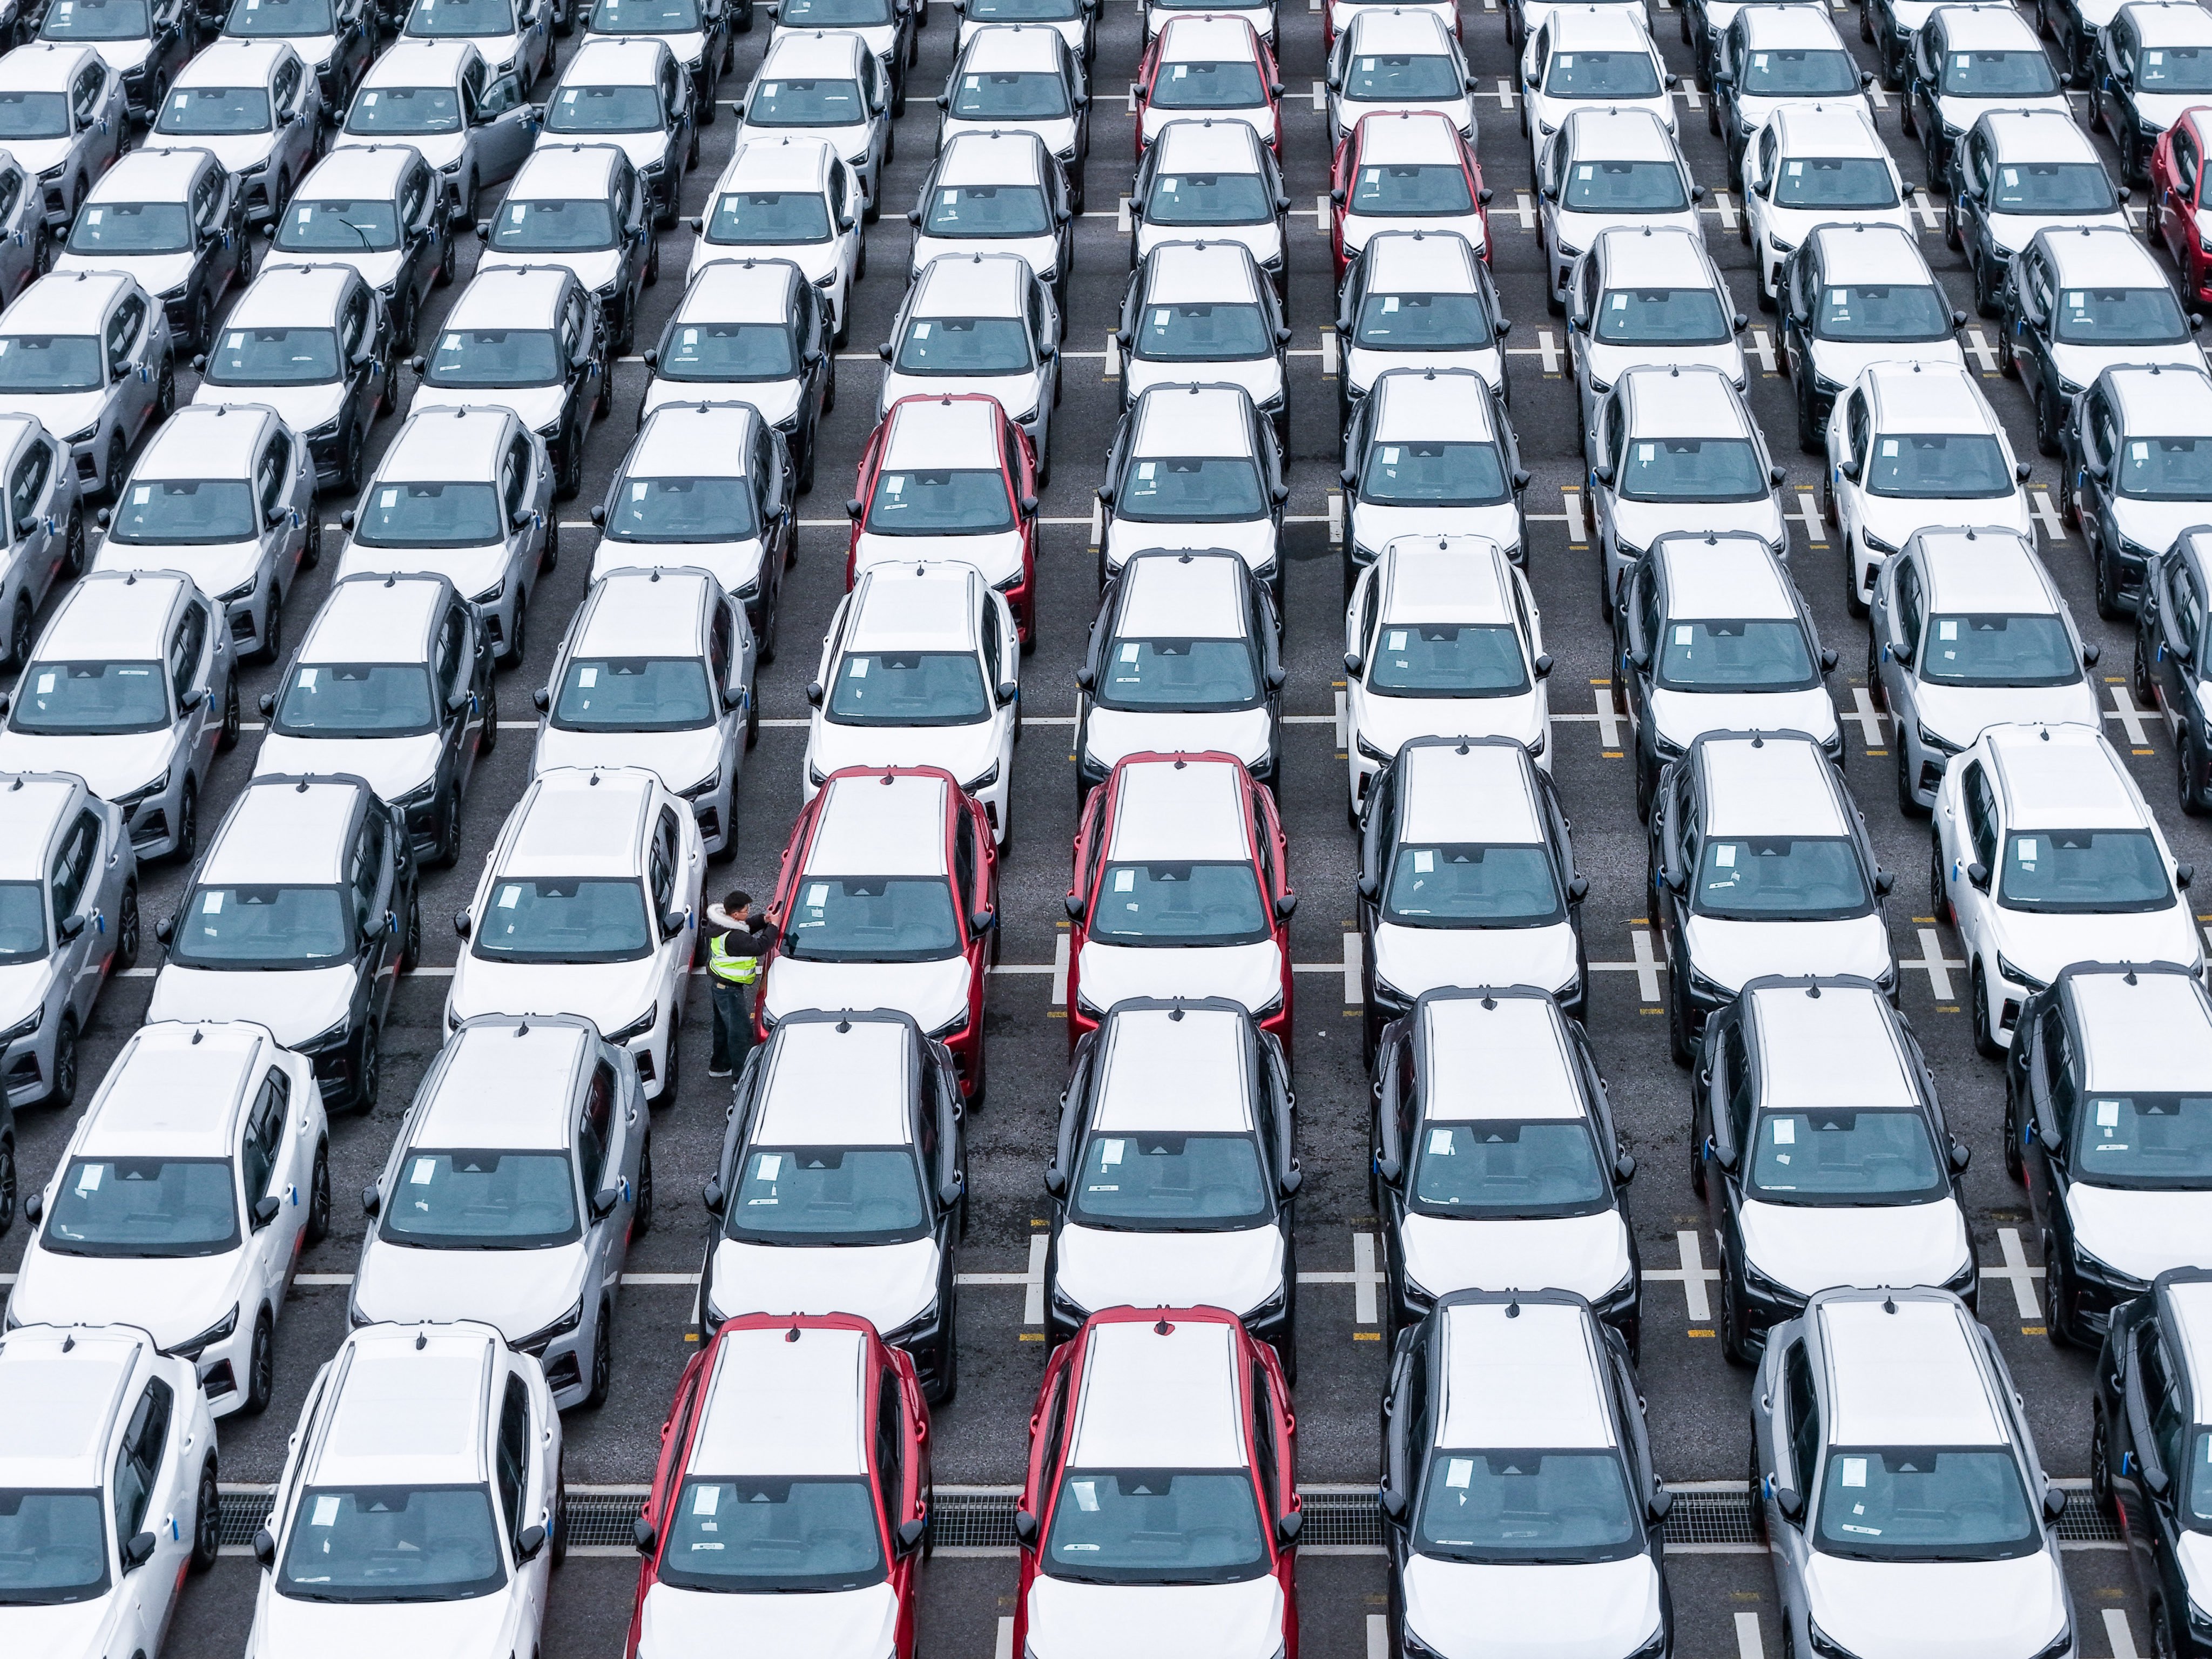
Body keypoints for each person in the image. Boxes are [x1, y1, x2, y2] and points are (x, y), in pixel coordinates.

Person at [705, 889, 772, 1078]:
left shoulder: (720, 925)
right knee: (741, 1034)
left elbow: (745, 928)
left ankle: (719, 1066)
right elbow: (760, 946)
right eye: (746, 910)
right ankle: (741, 1078)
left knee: (723, 1028)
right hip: (729, 990)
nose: (747, 913)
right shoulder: (734, 937)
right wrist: (773, 927)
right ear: (735, 915)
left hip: (719, 984)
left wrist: (763, 920)